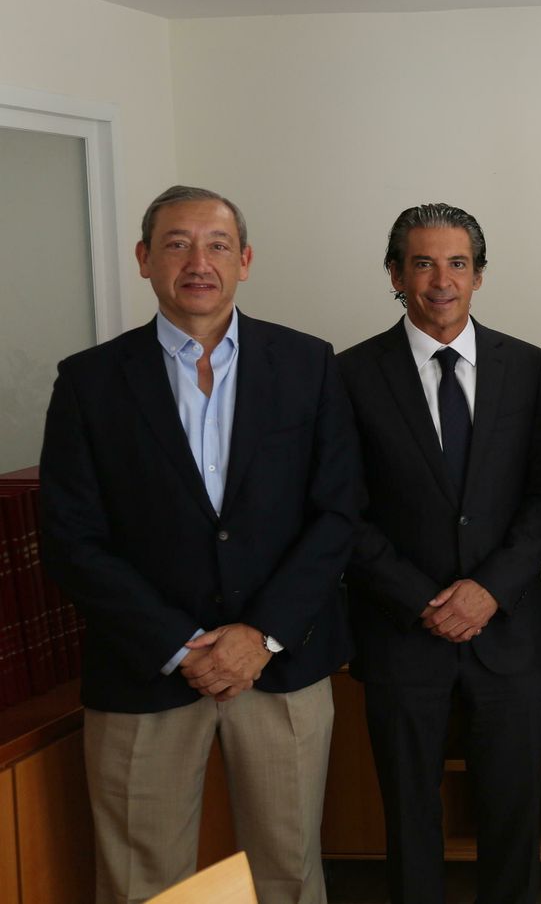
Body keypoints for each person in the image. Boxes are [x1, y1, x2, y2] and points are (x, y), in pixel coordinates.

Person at [40, 185, 360, 904]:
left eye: (217, 244)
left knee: (290, 871)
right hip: (143, 670)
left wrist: (260, 634)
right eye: (177, 243)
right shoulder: (90, 381)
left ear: (244, 260)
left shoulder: (309, 364)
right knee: (140, 885)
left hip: (279, 664)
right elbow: (70, 538)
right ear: (144, 258)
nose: (198, 261)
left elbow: (338, 514)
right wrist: (180, 643)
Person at [338, 204, 541, 904]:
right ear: (394, 274)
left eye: (458, 263)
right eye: (423, 262)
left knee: (512, 812)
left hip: (506, 632)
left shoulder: (528, 367)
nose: (442, 279)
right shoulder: (348, 375)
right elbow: (342, 510)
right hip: (401, 633)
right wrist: (422, 600)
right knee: (410, 817)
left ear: (479, 274)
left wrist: (488, 590)